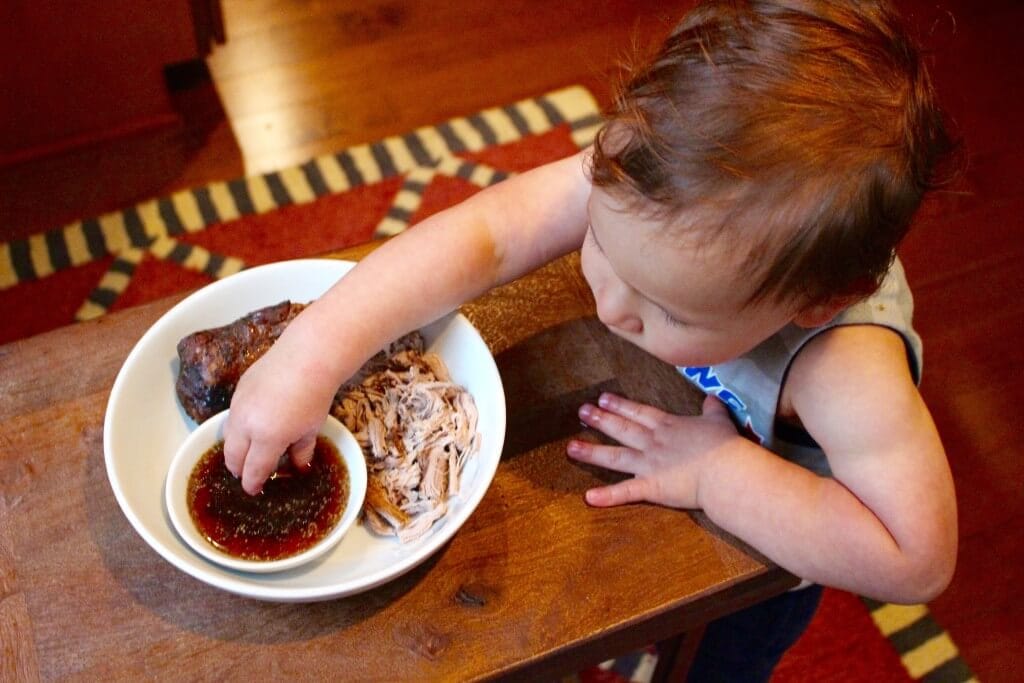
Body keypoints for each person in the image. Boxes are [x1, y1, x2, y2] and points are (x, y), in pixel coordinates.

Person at [224, 0, 957, 678]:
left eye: (667, 309)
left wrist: (720, 475)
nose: (608, 303)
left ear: (816, 304)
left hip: (761, 558)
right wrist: (312, 350)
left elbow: (916, 558)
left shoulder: (845, 366)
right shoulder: (655, 167)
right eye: (601, 243)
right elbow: (489, 232)